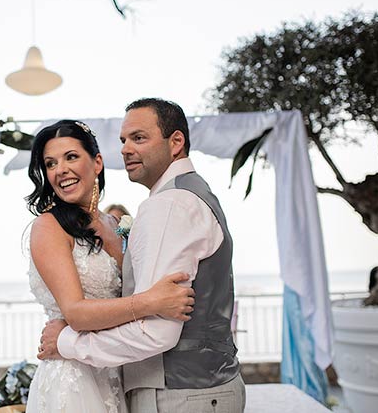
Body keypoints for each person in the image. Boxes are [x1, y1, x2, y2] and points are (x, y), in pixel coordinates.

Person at [39, 99, 245, 413]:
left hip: (179, 392)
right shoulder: (191, 193)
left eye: (139, 138)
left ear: (176, 142)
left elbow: (157, 331)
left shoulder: (168, 204)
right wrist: (149, 301)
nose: (125, 149)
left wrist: (67, 343)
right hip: (100, 381)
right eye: (123, 141)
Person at [25, 119, 196, 412]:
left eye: (71, 157)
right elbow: (76, 313)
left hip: (116, 370)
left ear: (98, 163)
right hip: (73, 378)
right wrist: (153, 301)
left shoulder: (116, 225)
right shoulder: (49, 227)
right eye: (50, 163)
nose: (60, 170)